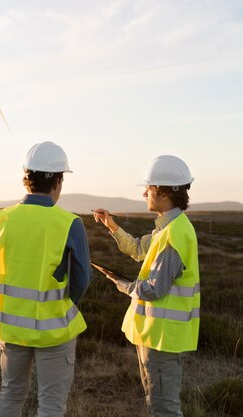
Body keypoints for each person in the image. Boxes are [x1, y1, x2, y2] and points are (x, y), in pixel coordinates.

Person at [0, 141, 92, 417]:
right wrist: (64, 304)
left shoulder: (1, 218)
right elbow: (82, 279)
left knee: (10, 394)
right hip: (54, 330)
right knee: (51, 404)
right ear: (58, 181)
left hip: (11, 325)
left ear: (26, 178)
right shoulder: (69, 223)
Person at [93, 155, 200, 417]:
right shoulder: (166, 229)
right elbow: (139, 249)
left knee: (164, 410)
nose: (144, 193)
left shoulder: (175, 234)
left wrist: (124, 285)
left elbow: (154, 289)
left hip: (162, 338)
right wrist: (112, 226)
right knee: (157, 405)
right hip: (155, 335)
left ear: (164, 193)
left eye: (148, 189)